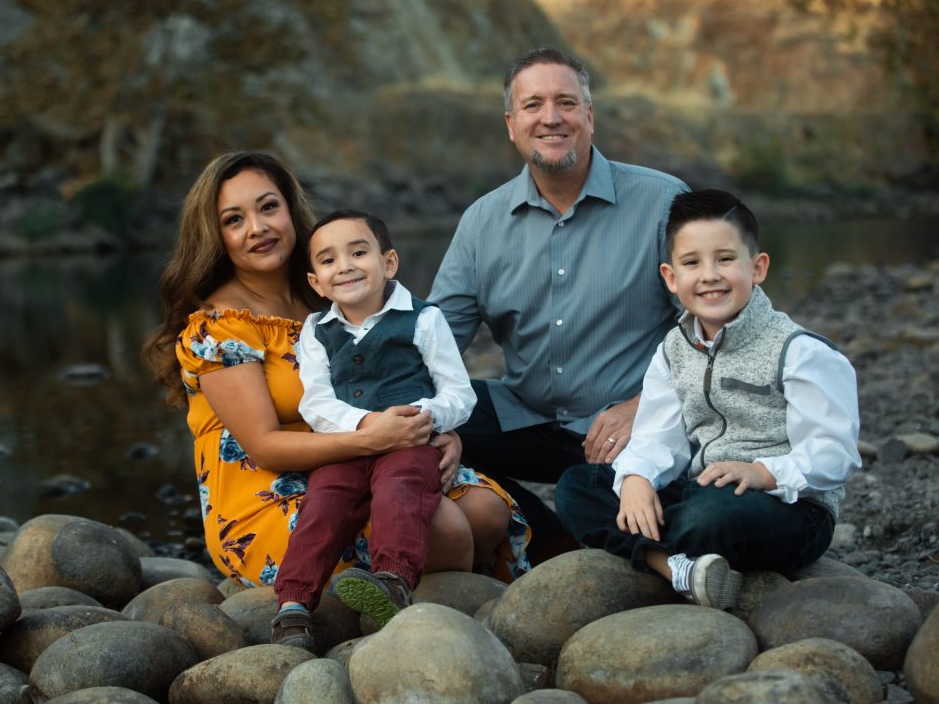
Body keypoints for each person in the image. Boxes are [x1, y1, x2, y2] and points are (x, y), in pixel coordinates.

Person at [143, 151, 529, 648]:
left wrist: (434, 429)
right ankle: (400, 626)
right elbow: (264, 447)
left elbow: (402, 377)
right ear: (214, 236)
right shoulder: (220, 327)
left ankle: (419, 600)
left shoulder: (331, 296)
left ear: (291, 210)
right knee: (448, 528)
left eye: (268, 207)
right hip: (270, 487)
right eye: (234, 220)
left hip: (371, 452)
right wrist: (377, 438)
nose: (257, 228)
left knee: (487, 509)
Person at [429, 46, 689, 560]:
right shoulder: (482, 222)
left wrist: (646, 407)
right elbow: (432, 341)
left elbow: (715, 328)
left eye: (566, 103)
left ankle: (590, 542)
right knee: (420, 429)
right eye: (533, 105)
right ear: (511, 123)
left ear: (589, 117)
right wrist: (433, 423)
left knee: (601, 487)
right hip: (529, 416)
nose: (551, 118)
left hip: (632, 426)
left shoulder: (663, 202)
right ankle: (550, 541)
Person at [554, 189, 861, 608]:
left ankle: (659, 551)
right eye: (692, 263)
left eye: (726, 259)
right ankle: (675, 567)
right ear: (671, 277)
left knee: (707, 516)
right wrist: (637, 480)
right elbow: (657, 439)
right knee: (577, 486)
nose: (710, 275)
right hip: (699, 487)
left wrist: (762, 473)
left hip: (788, 509)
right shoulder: (674, 348)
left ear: (757, 268)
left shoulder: (800, 352)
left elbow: (835, 456)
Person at [269, 209, 477, 648]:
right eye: (328, 260)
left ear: (389, 263)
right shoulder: (316, 331)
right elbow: (316, 403)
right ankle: (293, 604)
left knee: (401, 491)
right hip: (345, 446)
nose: (344, 265)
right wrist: (364, 425)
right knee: (323, 504)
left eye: (358, 252)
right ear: (316, 283)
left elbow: (459, 393)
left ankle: (392, 581)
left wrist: (424, 418)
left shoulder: (423, 319)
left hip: (409, 441)